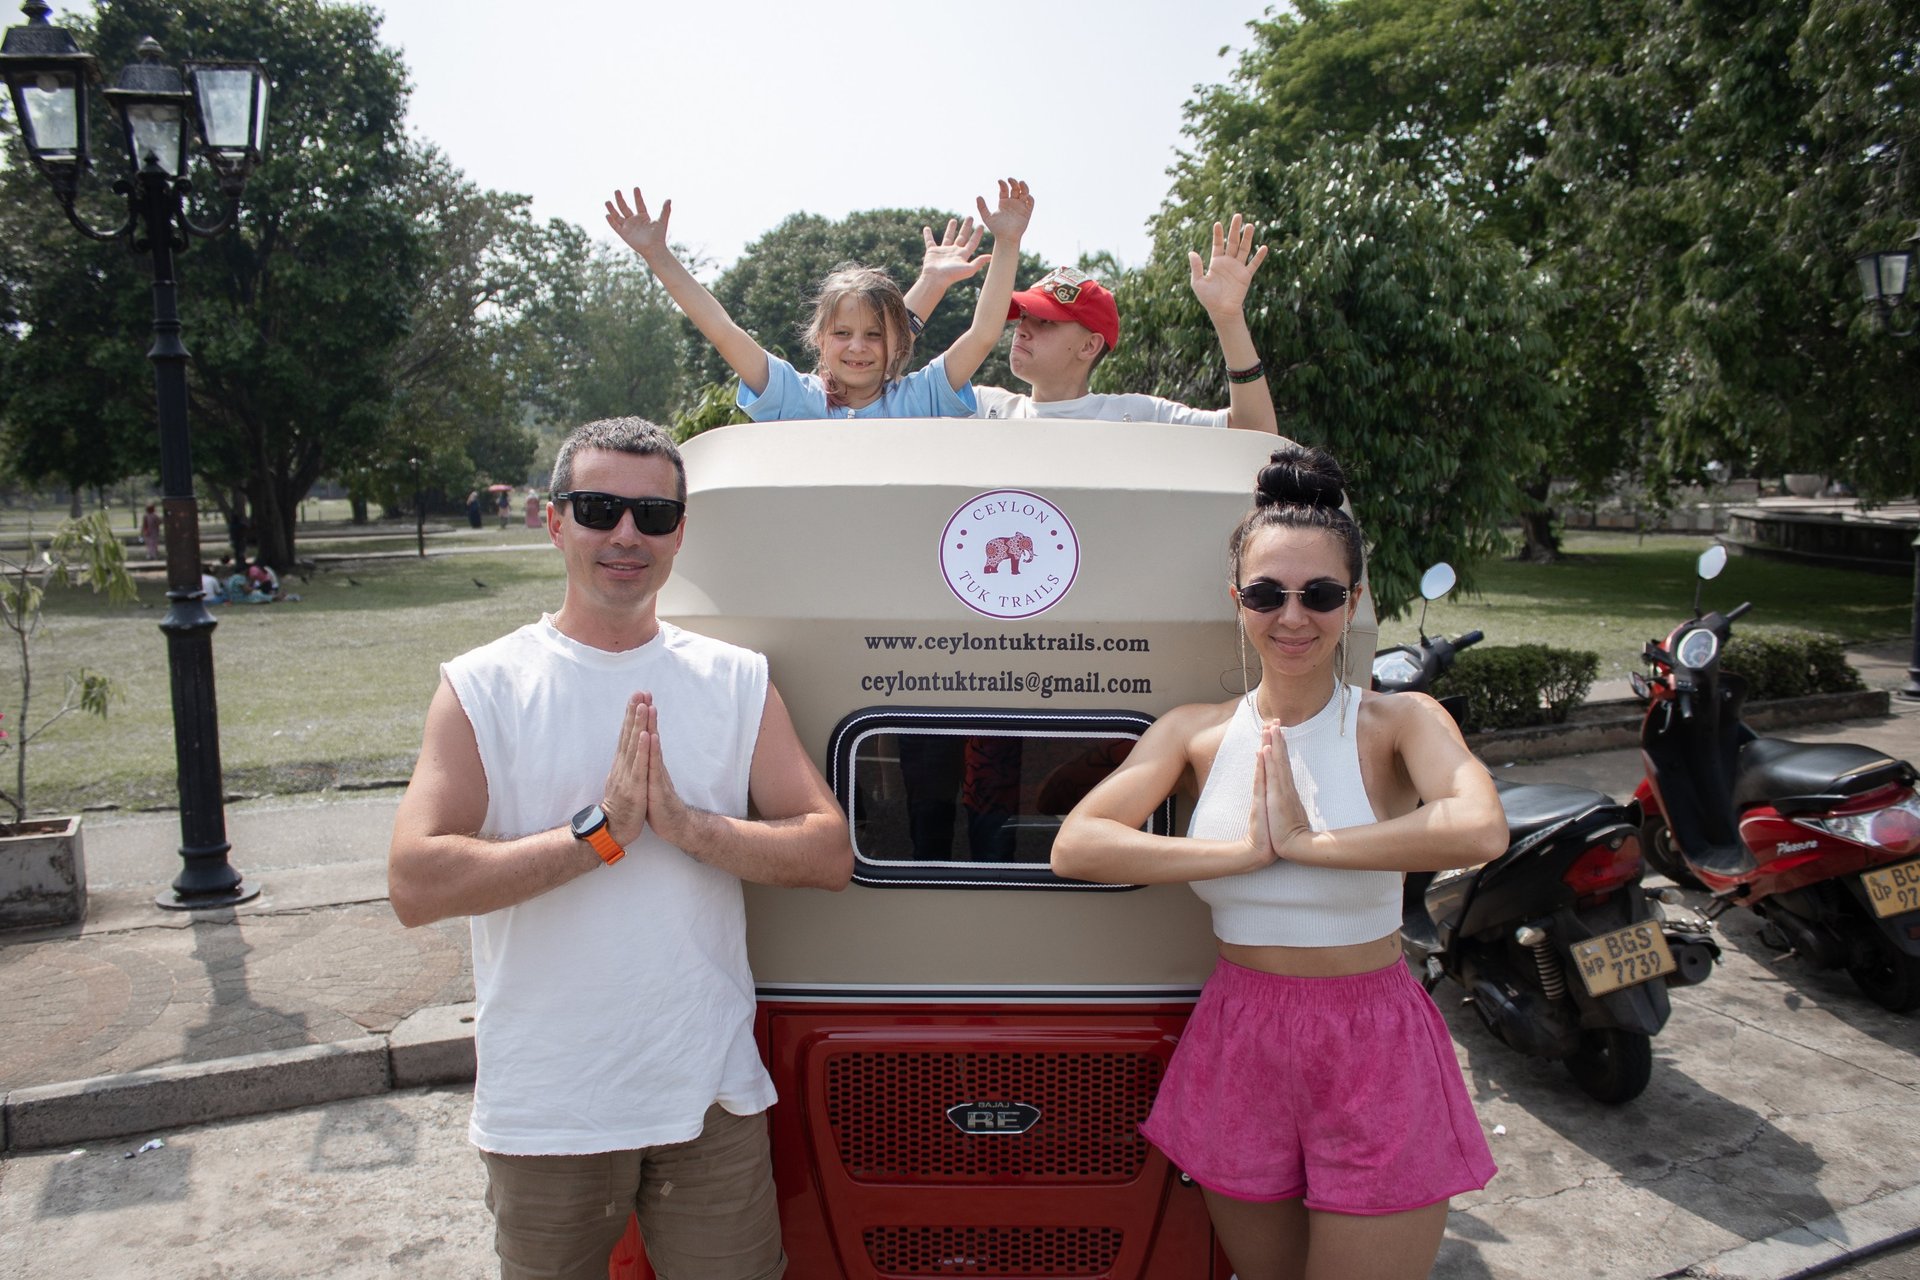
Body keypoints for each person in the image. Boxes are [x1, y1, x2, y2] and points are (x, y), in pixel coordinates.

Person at [387, 416, 853, 1280]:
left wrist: (692, 829)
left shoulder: (735, 679)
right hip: (550, 1107)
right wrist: (600, 834)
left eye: (654, 515)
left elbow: (829, 854)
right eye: (600, 509)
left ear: (681, 532)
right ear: (554, 521)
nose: (627, 535)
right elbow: (415, 884)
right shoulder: (484, 686)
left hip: (708, 1098)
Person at [1051, 445, 1505, 1280]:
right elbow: (1077, 844)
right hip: (1242, 1032)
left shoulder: (1400, 721)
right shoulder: (1195, 730)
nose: (1293, 617)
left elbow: (1479, 827)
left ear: (1353, 601)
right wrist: (1238, 852)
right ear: (1238, 601)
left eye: (1320, 594)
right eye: (1267, 593)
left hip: (1372, 1037)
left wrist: (1311, 846)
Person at [605, 180, 1034, 421]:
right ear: (820, 340)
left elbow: (983, 334)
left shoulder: (921, 398)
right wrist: (657, 255)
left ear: (899, 344)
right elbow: (721, 329)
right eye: (842, 333)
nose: (858, 347)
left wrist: (1007, 242)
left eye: (874, 336)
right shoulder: (793, 397)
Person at [905, 213, 1278, 432]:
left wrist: (1228, 319)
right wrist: (929, 283)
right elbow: (880, 396)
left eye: (1045, 322)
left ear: (1089, 346)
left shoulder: (1136, 417)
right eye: (1024, 316)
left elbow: (1254, 433)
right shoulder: (982, 407)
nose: (1022, 329)